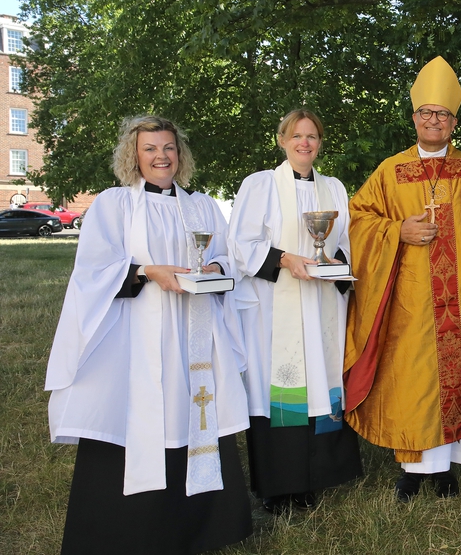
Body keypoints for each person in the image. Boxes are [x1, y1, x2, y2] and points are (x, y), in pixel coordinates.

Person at [45, 116, 251, 554]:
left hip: (194, 332)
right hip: (136, 335)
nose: (161, 156)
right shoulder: (114, 205)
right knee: (140, 414)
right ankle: (133, 530)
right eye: (150, 149)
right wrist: (146, 271)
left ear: (180, 154)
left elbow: (224, 260)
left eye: (169, 148)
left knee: (192, 411)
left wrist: (215, 269)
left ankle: (202, 527)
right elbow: (94, 273)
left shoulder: (204, 207)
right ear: (133, 156)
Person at [344, 56, 461, 501]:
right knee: (411, 379)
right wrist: (395, 230)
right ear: (414, 118)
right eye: (426, 113)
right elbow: (357, 219)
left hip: (459, 299)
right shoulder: (390, 170)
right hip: (409, 299)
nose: (433, 120)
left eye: (442, 114)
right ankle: (413, 469)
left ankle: (446, 471)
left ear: (455, 121)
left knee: (455, 376)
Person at [227, 109, 362, 513]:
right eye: (297, 136)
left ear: (320, 143)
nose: (305, 143)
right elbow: (241, 242)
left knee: (320, 384)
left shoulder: (334, 188)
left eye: (313, 136)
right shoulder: (261, 184)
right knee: (280, 390)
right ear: (282, 140)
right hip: (276, 307)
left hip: (320, 302)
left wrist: (332, 263)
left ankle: (313, 480)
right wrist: (287, 260)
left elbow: (348, 243)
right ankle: (277, 486)